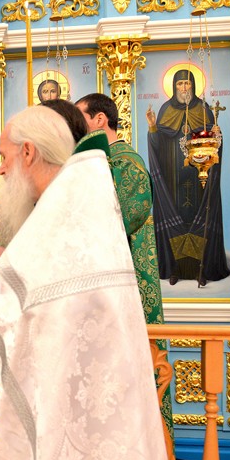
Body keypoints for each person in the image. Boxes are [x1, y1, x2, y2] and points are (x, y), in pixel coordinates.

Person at [0, 105, 182, 460]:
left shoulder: (71, 202)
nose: (0, 170)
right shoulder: (76, 196)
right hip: (97, 397)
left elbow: (57, 304)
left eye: (5, 157)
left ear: (29, 152)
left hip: (83, 402)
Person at [77, 92, 171, 437]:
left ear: (100, 119)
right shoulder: (101, 161)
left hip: (127, 281)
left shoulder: (125, 163)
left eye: (81, 119)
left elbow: (119, 220)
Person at [146, 68, 229, 285]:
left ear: (194, 85)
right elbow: (157, 145)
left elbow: (215, 144)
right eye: (180, 84)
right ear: (174, 87)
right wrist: (153, 127)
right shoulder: (165, 110)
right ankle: (176, 269)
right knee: (176, 218)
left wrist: (218, 135)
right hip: (173, 178)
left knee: (199, 217)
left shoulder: (204, 109)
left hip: (200, 176)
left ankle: (200, 269)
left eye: (187, 83)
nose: (184, 88)